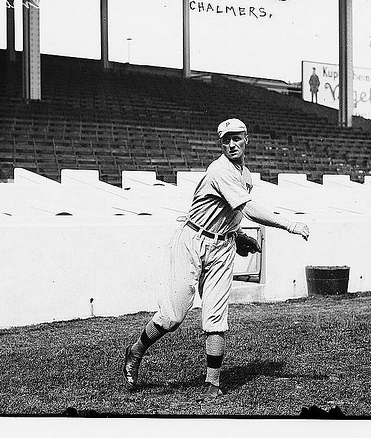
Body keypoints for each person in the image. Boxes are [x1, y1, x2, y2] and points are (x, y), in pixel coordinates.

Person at [122, 118, 310, 400]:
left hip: (223, 247)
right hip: (192, 241)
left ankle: (213, 382)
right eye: (226, 140)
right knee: (172, 317)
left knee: (216, 317)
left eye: (236, 138)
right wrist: (289, 224)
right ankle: (136, 350)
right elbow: (247, 209)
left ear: (247, 139)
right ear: (220, 143)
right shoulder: (220, 170)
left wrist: (238, 237)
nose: (232, 144)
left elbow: (230, 213)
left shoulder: (244, 174)